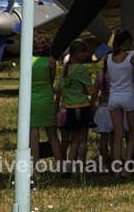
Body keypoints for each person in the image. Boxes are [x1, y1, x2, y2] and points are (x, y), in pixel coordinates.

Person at [104, 29, 134, 175]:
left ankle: (116, 168)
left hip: (113, 97)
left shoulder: (108, 58)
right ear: (127, 41)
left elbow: (108, 81)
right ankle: (127, 169)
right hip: (128, 96)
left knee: (118, 133)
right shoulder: (132, 57)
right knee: (133, 133)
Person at [56, 40, 95, 171]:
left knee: (74, 140)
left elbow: (60, 90)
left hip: (68, 108)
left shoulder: (65, 71)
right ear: (78, 54)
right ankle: (82, 167)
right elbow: (91, 90)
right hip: (82, 106)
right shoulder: (81, 69)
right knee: (83, 139)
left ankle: (68, 167)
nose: (87, 54)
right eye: (84, 52)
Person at [29, 32, 61, 166]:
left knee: (33, 135)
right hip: (47, 99)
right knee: (52, 135)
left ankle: (35, 167)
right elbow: (51, 81)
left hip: (32, 100)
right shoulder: (51, 61)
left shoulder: (28, 60)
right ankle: (61, 166)